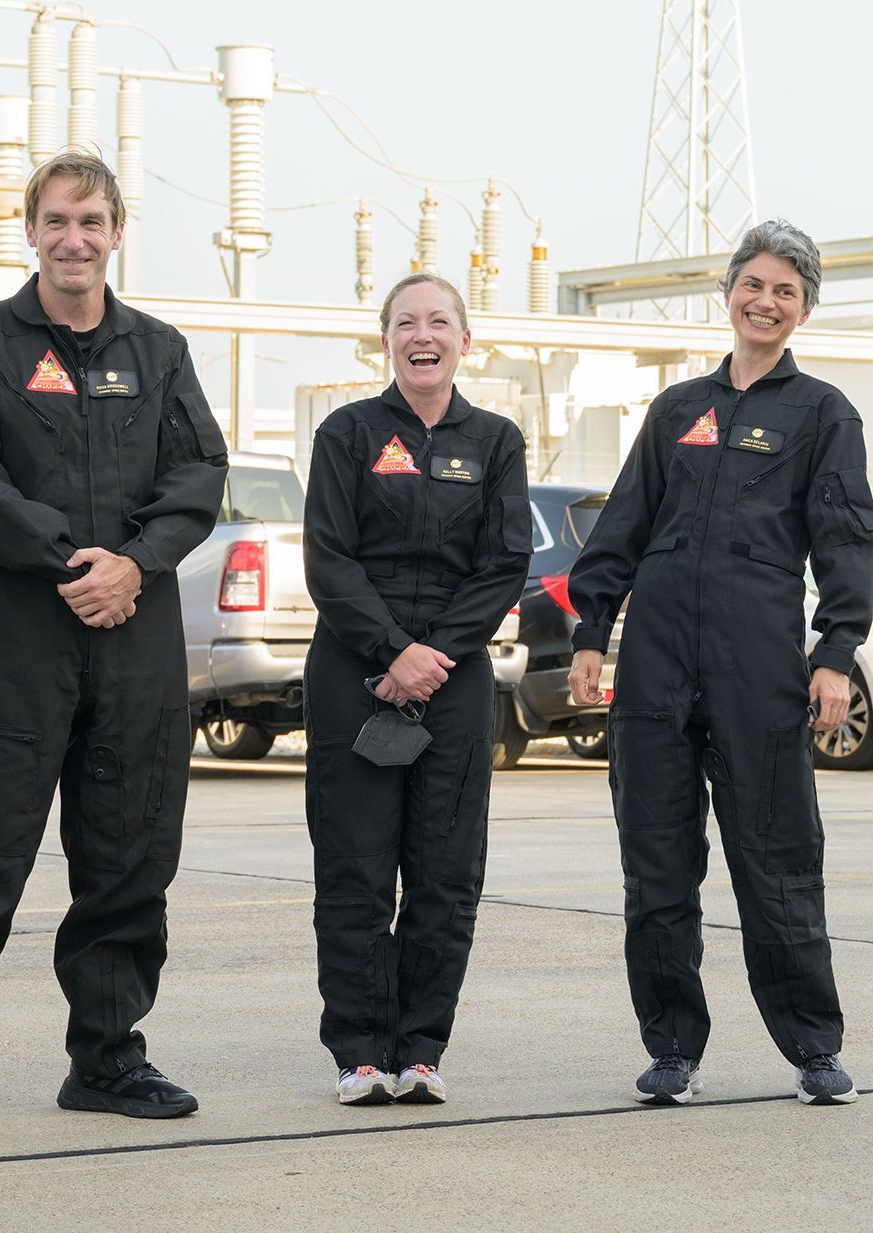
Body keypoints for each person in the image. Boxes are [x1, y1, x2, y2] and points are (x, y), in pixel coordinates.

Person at [0, 152, 227, 1136]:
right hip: (17, 641)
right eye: (55, 220)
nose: (73, 238)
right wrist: (71, 561)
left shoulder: (157, 351)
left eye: (91, 220)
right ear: (29, 231)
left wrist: (135, 563)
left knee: (126, 859)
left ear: (116, 232)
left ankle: (108, 1061)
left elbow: (198, 472)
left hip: (135, 643)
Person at [566, 219, 873, 1108]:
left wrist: (835, 654)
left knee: (777, 860)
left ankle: (814, 1048)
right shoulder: (676, 411)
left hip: (758, 669)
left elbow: (844, 540)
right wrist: (593, 631)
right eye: (755, 284)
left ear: (804, 310)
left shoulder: (822, 413)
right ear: (729, 292)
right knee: (657, 868)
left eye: (786, 290)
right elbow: (622, 527)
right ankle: (671, 1047)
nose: (766, 302)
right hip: (658, 666)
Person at [300, 272, 531, 1106]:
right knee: (355, 868)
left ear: (466, 341)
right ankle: (359, 1050)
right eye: (405, 322)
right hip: (354, 675)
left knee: (445, 869)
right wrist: (394, 651)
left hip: (455, 680)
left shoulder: (498, 440)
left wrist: (434, 652)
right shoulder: (348, 433)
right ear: (386, 340)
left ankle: (421, 1049)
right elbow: (329, 558)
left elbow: (504, 562)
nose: (421, 334)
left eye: (439, 321)